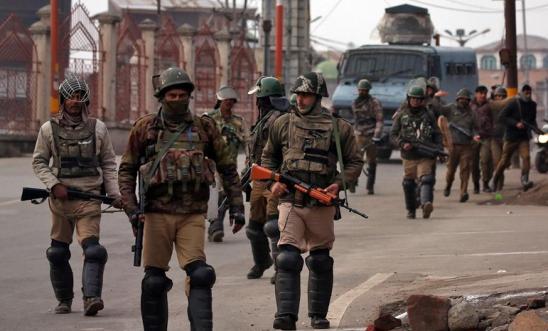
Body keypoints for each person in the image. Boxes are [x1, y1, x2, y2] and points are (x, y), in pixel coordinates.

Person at [117, 67, 245, 331]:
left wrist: (236, 206)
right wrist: (131, 209)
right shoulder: (145, 128)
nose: (177, 99)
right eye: (172, 95)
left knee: (200, 274)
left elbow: (228, 167)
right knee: (153, 280)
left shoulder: (204, 127)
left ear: (190, 95)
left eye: (182, 94)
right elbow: (127, 170)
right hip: (155, 213)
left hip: (191, 214)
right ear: (161, 97)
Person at [262, 72, 363, 330]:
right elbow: (268, 158)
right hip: (290, 202)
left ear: (318, 97)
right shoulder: (282, 123)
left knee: (320, 259)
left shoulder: (338, 127)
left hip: (321, 202)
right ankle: (285, 316)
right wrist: (272, 181)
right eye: (298, 94)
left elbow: (354, 162)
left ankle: (318, 315)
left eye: (305, 95)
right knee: (287, 258)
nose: (300, 99)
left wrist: (338, 184)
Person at [32, 74, 121, 316]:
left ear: (86, 100)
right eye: (70, 96)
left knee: (93, 250)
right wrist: (53, 184)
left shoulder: (98, 128)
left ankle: (92, 297)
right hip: (60, 201)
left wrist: (113, 193)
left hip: (89, 198)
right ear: (62, 99)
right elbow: (39, 161)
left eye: (79, 96)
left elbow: (109, 163)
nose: (74, 101)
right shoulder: (48, 129)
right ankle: (64, 300)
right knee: (58, 252)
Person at [246, 76, 289, 282]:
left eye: (258, 97)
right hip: (258, 178)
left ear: (264, 98)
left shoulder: (279, 119)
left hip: (274, 177)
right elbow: (253, 150)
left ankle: (280, 266)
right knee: (254, 226)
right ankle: (262, 261)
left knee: (273, 225)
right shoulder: (263, 118)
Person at [391, 83, 443, 219]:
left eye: (418, 99)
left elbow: (437, 133)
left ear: (422, 100)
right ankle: (411, 209)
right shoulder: (402, 115)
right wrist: (402, 143)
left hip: (426, 154)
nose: (415, 101)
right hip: (409, 156)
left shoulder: (429, 114)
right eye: (413, 98)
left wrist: (439, 148)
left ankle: (426, 204)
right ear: (409, 99)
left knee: (427, 179)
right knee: (409, 182)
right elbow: (393, 134)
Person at [206, 86, 250, 242]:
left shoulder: (238, 122)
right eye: (226, 101)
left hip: (229, 166)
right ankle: (215, 226)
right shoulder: (208, 119)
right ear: (220, 101)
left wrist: (248, 159)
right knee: (214, 195)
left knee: (226, 194)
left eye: (232, 101)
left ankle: (215, 226)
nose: (229, 104)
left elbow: (247, 141)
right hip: (210, 166)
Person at [492, 84, 539, 192]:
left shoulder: (533, 105)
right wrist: (515, 123)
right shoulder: (513, 103)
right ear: (521, 92)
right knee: (504, 161)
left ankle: (525, 179)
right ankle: (495, 179)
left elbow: (532, 120)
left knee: (526, 157)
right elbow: (502, 117)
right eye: (525, 90)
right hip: (511, 137)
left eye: (529, 90)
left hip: (523, 137)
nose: (527, 92)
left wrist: (536, 129)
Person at [439, 89, 481, 202]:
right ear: (457, 99)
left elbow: (476, 128)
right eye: (461, 98)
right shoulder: (450, 108)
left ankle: (463, 192)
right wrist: (436, 98)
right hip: (453, 145)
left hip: (466, 146)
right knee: (451, 171)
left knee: (465, 170)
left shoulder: (472, 113)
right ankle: (448, 185)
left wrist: (476, 136)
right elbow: (438, 110)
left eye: (466, 99)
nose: (464, 101)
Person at [350, 79, 383, 194]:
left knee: (372, 162)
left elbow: (379, 119)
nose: (362, 92)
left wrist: (376, 134)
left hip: (371, 135)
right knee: (356, 161)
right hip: (358, 134)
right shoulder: (355, 102)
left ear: (368, 91)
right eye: (360, 90)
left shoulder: (374, 102)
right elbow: (356, 119)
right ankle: (353, 183)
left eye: (364, 90)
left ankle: (370, 186)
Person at [470, 85, 490, 193]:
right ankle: (476, 186)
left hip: (485, 137)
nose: (483, 95)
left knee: (485, 160)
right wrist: (472, 134)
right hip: (473, 138)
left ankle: (486, 184)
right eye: (481, 93)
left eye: (485, 93)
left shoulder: (490, 106)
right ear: (476, 94)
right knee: (474, 163)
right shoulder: (469, 106)